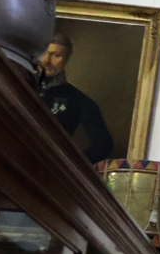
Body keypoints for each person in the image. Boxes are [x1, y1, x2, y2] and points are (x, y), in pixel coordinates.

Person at [37, 31, 114, 163]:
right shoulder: (18, 82)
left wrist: (72, 165)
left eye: (56, 55)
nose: (46, 60)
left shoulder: (79, 100)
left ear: (67, 58)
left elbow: (104, 143)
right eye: (43, 52)